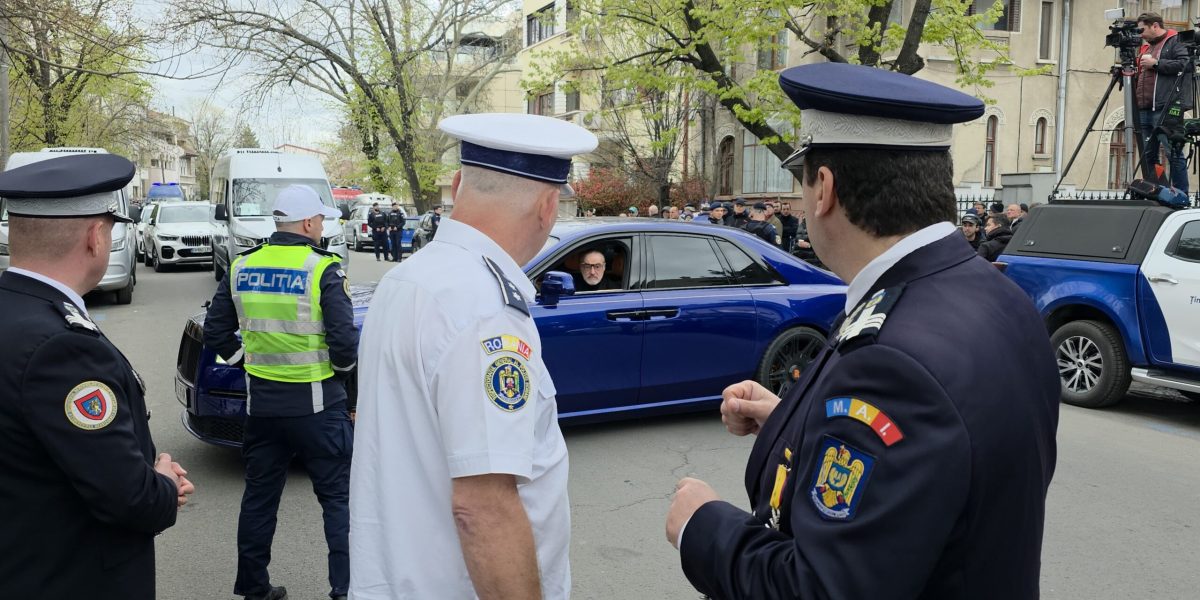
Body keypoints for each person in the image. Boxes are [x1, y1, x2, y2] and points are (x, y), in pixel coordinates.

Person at [666, 62, 1059, 599]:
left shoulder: (894, 358)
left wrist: (702, 526)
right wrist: (796, 419)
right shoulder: (996, 296)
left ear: (823, 187)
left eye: (801, 182)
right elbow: (934, 464)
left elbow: (821, 589)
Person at [350, 113, 597, 599]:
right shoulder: (485, 309)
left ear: (459, 183)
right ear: (549, 207)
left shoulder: (409, 279)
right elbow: (482, 508)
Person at [0, 154, 193, 599]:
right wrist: (162, 483)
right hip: (67, 576)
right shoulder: (62, 347)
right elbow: (130, 498)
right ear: (95, 236)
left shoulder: (19, 311)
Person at [204, 185, 358, 600]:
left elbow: (215, 329)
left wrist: (243, 362)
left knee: (259, 499)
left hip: (263, 408)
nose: (323, 226)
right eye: (321, 219)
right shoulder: (323, 268)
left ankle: (255, 588)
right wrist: (340, 379)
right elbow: (345, 342)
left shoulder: (242, 265)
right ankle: (345, 590)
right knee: (338, 501)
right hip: (318, 406)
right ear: (308, 223)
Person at [1135, 11, 1193, 193]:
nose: (1140, 34)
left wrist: (1157, 64)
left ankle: (1181, 194)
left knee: (1172, 153)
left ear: (1155, 25)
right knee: (1149, 155)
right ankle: (1162, 190)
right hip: (1144, 108)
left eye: (1142, 29)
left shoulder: (1175, 41)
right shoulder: (1146, 47)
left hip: (1166, 107)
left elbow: (1187, 65)